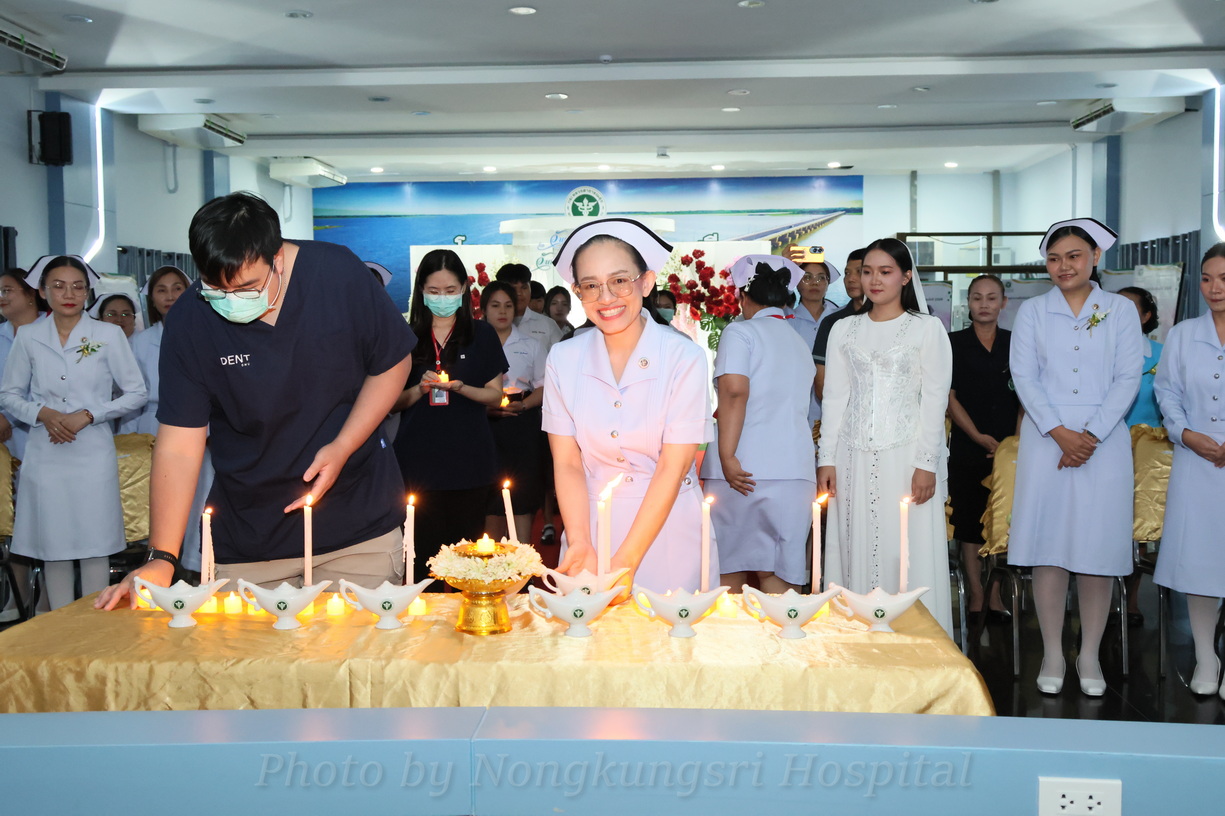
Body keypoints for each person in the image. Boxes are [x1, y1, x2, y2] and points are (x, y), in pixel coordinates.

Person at [97, 192, 415, 609]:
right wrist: (162, 557)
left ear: (277, 258)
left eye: (247, 287)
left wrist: (343, 445)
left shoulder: (336, 273)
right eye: (216, 289)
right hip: (250, 537)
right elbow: (179, 445)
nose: (231, 300)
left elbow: (392, 362)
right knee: (246, 651)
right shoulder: (190, 320)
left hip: (357, 528)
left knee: (354, 649)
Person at [1008, 218, 1143, 696]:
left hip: (1102, 445)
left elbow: (1129, 377)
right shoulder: (1032, 311)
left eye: (1073, 256)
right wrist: (1061, 433)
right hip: (1047, 440)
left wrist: (1090, 435)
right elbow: (1024, 377)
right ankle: (1051, 651)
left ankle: (1089, 655)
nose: (1063, 266)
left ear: (1095, 258)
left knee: (1096, 551)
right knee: (1049, 549)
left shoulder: (1119, 311)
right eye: (1054, 258)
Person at [544, 217, 716, 593]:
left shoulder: (682, 357)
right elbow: (567, 462)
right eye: (591, 285)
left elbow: (674, 465)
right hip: (587, 527)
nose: (606, 298)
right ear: (578, 292)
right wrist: (580, 540)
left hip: (668, 528)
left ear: (646, 282)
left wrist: (626, 561)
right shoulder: (563, 358)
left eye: (620, 280)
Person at [817, 238, 954, 636]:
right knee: (854, 545)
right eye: (867, 272)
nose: (874, 280)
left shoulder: (927, 329)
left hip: (906, 456)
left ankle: (917, 643)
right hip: (852, 456)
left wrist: (926, 463)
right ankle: (855, 641)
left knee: (907, 550)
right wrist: (826, 458)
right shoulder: (844, 329)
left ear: (906, 277)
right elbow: (834, 397)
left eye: (885, 272)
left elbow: (935, 400)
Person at [1, 256, 147, 609]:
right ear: (42, 291)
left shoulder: (108, 334)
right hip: (46, 451)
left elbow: (136, 392)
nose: (69, 294)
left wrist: (90, 414)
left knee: (95, 545)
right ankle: (60, 627)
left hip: (92, 451)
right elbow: (9, 394)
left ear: (88, 292)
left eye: (78, 286)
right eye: (59, 286)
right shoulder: (29, 336)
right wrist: (44, 414)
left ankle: (93, 627)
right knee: (54, 547)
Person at [699, 255, 816, 592]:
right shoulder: (798, 341)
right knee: (780, 576)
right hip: (794, 472)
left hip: (742, 469)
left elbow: (734, 392)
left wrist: (727, 455)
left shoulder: (740, 331)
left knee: (728, 572)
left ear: (743, 297)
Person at [393, 249, 507, 582]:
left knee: (466, 563)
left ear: (464, 290)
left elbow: (495, 395)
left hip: (469, 459)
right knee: (421, 563)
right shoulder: (405, 336)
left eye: (450, 290)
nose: (442, 298)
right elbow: (391, 402)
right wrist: (419, 390)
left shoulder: (481, 334)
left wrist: (460, 388)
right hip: (418, 461)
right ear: (421, 291)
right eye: (434, 291)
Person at [1153, 243, 1225, 699]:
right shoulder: (1182, 334)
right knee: (1200, 561)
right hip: (1196, 459)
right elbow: (1167, 392)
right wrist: (1185, 434)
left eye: (1224, 279)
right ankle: (1205, 655)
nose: (1214, 288)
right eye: (1207, 278)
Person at [118, 265, 213, 574]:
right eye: (161, 290)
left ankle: (194, 566)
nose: (170, 296)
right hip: (150, 424)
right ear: (152, 299)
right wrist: (131, 439)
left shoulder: (204, 333)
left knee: (197, 499)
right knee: (158, 501)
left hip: (198, 427)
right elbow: (130, 394)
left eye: (177, 288)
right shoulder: (140, 341)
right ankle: (158, 565)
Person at [947, 274, 1019, 619]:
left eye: (992, 298)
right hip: (967, 446)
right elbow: (948, 397)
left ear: (1003, 303)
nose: (984, 304)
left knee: (1004, 521)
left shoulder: (1017, 342)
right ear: (968, 303)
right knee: (970, 523)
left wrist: (1012, 442)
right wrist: (977, 436)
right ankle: (976, 593)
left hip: (1010, 448)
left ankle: (995, 593)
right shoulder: (952, 343)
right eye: (977, 298)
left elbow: (1027, 396)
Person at [480, 281, 546, 543]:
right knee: (490, 496)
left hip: (522, 423)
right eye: (495, 305)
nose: (502, 311)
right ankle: (489, 558)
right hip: (485, 426)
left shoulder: (531, 344)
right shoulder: (474, 344)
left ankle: (523, 559)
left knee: (522, 493)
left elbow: (544, 387)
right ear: (484, 309)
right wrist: (486, 408)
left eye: (508, 305)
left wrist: (525, 405)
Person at [1118, 284, 1163, 626]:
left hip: (1146, 457)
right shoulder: (1099, 350)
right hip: (1104, 449)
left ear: (1146, 317)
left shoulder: (1161, 355)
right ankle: (1102, 600)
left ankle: (1130, 600)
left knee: (1137, 531)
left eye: (1130, 309)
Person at [786, 255, 840, 437]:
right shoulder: (787, 321)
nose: (814, 283)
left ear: (828, 283)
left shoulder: (840, 319)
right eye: (807, 277)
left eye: (821, 278)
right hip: (796, 404)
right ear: (797, 283)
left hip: (834, 402)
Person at [0, 268, 47, 461]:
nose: (1, 297)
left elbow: (49, 385)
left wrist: (8, 417)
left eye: (6, 290)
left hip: (44, 430)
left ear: (30, 293)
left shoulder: (52, 332)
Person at [813, 247, 867, 402]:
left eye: (859, 272)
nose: (850, 279)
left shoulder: (890, 319)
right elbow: (822, 385)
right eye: (847, 273)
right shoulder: (832, 322)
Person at [495, 263, 562, 356]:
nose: (519, 293)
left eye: (524, 287)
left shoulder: (548, 324)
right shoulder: (488, 325)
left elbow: (562, 357)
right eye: (513, 288)